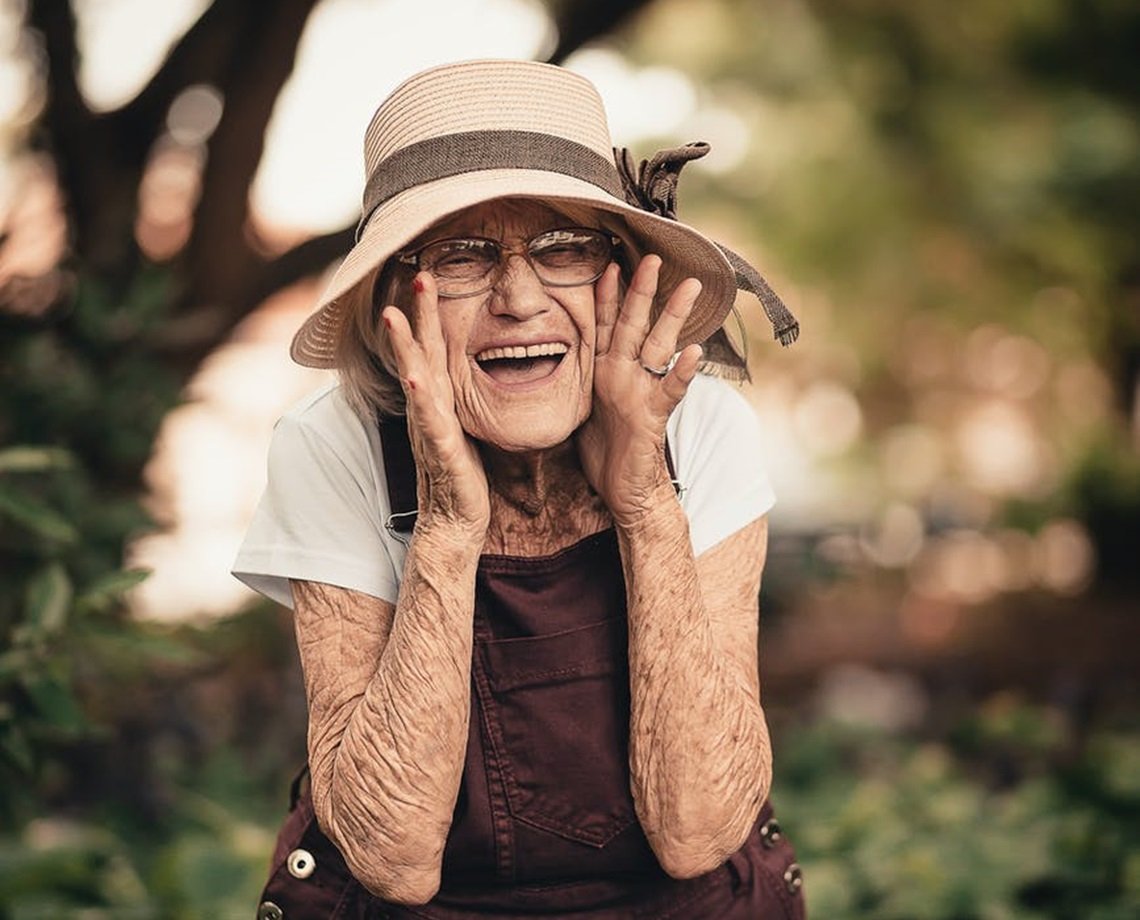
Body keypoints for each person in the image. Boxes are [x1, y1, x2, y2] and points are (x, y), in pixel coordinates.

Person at [234, 58, 805, 919]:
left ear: (620, 276)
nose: (519, 297)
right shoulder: (333, 444)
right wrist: (449, 527)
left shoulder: (699, 428)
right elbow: (390, 856)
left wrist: (647, 505)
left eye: (563, 247)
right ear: (393, 299)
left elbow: (699, 829)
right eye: (461, 256)